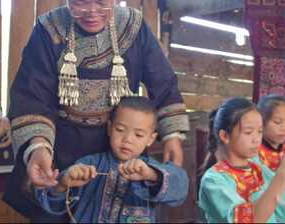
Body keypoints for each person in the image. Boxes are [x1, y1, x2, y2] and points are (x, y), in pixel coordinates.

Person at [3, 0, 189, 221]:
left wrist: (173, 135)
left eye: (104, 2)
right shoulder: (48, 30)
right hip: (63, 151)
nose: (92, 13)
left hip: (121, 147)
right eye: (79, 3)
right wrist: (38, 149)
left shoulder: (134, 26)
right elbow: (31, 96)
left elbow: (163, 82)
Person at [35, 96, 188, 223]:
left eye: (139, 135)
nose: (127, 139)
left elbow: (180, 189)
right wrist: (63, 183)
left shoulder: (150, 170)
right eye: (120, 130)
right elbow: (51, 204)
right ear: (109, 128)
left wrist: (151, 175)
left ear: (151, 139)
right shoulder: (88, 165)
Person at [198, 97, 285, 223]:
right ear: (225, 136)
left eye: (259, 131)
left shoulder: (258, 171)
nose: (256, 139)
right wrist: (283, 174)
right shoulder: (213, 181)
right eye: (248, 132)